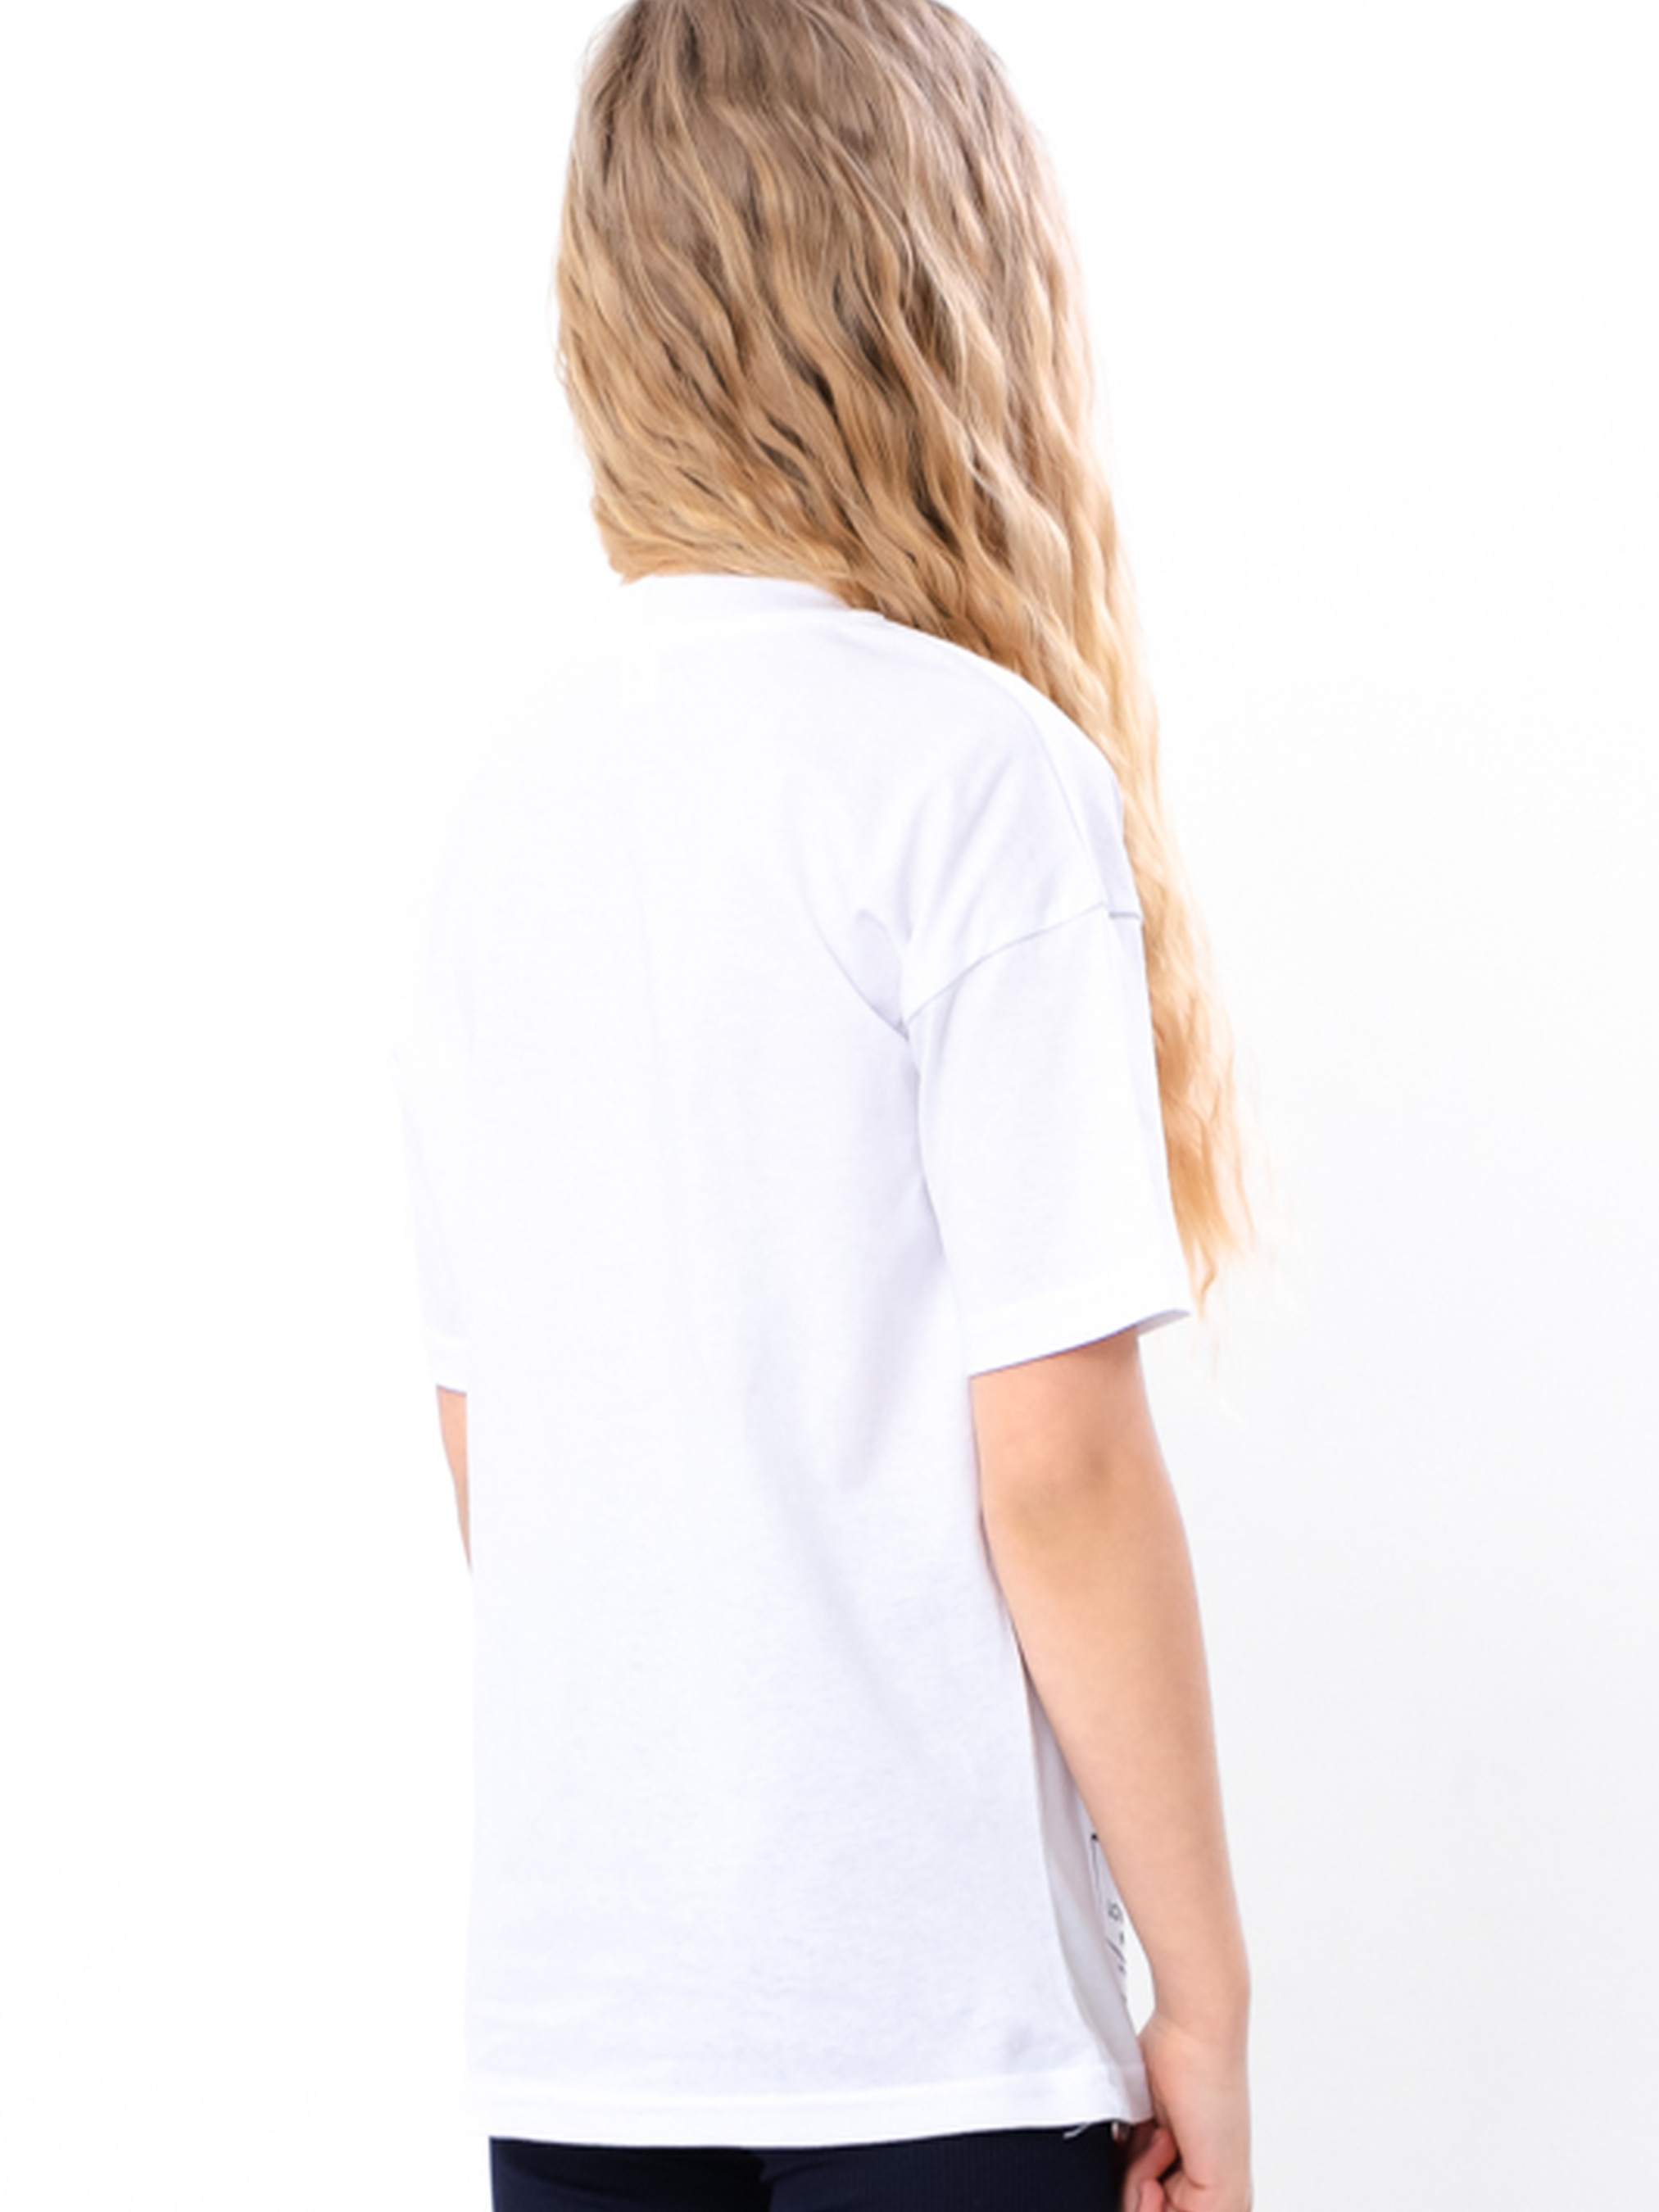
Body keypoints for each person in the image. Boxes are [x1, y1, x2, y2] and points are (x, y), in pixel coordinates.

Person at [391, 2, 1254, 2207]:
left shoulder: (500, 798)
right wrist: (1205, 2000)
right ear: (948, 274)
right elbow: (1057, 1464)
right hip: (937, 2042)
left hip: (590, 2027)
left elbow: (490, 1428)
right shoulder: (973, 777)